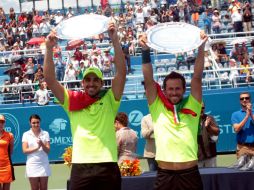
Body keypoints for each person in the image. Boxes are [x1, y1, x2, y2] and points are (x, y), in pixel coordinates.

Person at [43, 22, 126, 190]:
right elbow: (50, 80)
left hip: (108, 164)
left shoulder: (110, 99)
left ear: (102, 83)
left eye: (96, 80)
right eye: (88, 80)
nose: (91, 83)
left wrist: (115, 40)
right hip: (81, 166)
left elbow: (122, 73)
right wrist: (49, 48)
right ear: (82, 82)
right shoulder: (71, 100)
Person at [139, 31, 208, 190]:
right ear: (164, 90)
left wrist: (201, 47)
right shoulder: (157, 106)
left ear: (184, 90)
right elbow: (149, 81)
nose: (174, 92)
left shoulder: (193, 105)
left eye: (178, 88)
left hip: (189, 174)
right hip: (164, 174)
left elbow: (197, 77)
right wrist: (144, 51)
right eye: (170, 89)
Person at [22, 114, 51, 190]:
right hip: (32, 165)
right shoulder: (26, 134)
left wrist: (42, 144)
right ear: (30, 123)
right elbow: (25, 150)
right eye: (33, 123)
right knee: (34, 188)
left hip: (44, 163)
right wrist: (37, 147)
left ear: (40, 122)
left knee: (44, 188)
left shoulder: (46, 134)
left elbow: (48, 150)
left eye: (37, 122)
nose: (36, 124)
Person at [231, 92, 254, 170]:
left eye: (246, 98)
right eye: (242, 98)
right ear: (240, 101)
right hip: (243, 148)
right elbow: (236, 129)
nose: (244, 100)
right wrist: (247, 116)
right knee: (242, 173)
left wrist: (251, 113)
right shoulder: (235, 114)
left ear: (250, 100)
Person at [198, 102, 220, 168]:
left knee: (212, 176)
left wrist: (208, 126)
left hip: (210, 156)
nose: (201, 109)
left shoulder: (209, 118)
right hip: (196, 157)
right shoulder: (190, 120)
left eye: (202, 108)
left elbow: (217, 131)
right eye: (198, 107)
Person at [0, 115, 15, 190]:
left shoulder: (10, 135)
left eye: (2, 122)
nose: (0, 124)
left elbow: (11, 151)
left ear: (4, 123)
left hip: (6, 166)